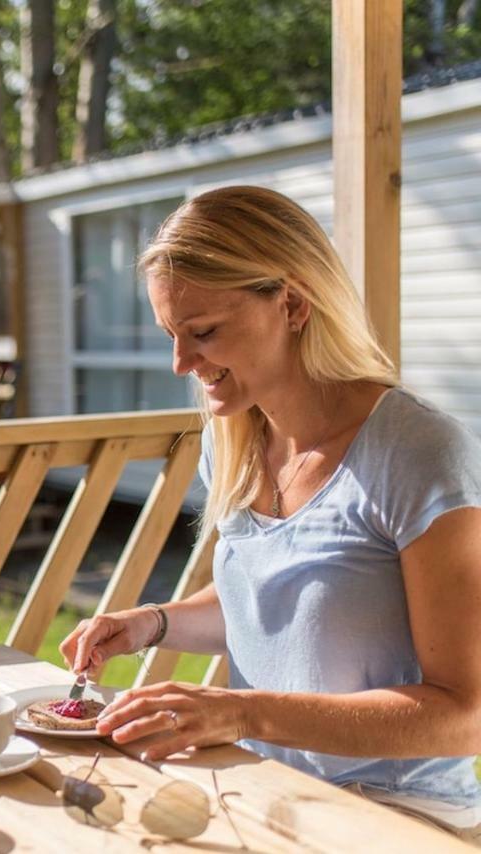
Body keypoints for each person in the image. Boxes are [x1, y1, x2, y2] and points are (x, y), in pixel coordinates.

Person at [60, 185, 481, 842]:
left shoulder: (418, 453)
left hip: (398, 815)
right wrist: (153, 623)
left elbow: (466, 714)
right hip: (262, 790)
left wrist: (243, 714)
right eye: (172, 335)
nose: (181, 363)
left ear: (290, 302)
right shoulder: (233, 445)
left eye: (202, 333)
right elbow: (277, 606)